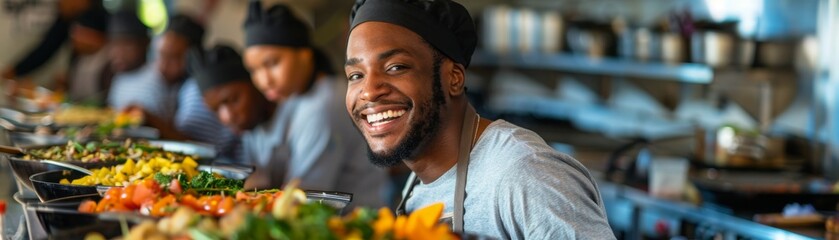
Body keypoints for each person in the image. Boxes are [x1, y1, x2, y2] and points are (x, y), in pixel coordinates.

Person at [345, 0, 614, 238]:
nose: (368, 91)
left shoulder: (524, 173)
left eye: (396, 67)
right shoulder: (417, 183)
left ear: (454, 78)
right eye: (356, 75)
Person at [191, 44, 386, 208]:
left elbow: (299, 200)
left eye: (233, 100)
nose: (226, 117)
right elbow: (260, 181)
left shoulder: (316, 110)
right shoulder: (251, 122)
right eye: (215, 109)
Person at [128, 14, 239, 158]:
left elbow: (202, 150)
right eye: (161, 55)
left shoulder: (197, 90)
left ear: (193, 56)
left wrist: (152, 120)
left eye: (174, 57)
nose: (163, 66)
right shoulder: (177, 86)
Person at [106, 10, 167, 117]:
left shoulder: (159, 76)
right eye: (114, 44)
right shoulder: (118, 79)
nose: (118, 53)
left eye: (126, 44)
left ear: (144, 44)